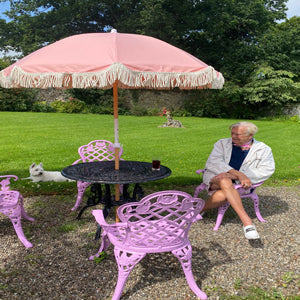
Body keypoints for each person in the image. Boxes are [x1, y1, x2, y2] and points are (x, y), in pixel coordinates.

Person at [202, 121, 275, 239]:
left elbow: (267, 169)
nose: (233, 136)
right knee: (224, 180)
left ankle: (198, 209)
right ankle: (247, 223)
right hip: (216, 177)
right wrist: (237, 174)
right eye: (232, 133)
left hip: (238, 184)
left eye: (238, 134)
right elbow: (213, 162)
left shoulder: (263, 149)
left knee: (224, 189)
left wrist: (238, 177)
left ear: (250, 135)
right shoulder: (221, 143)